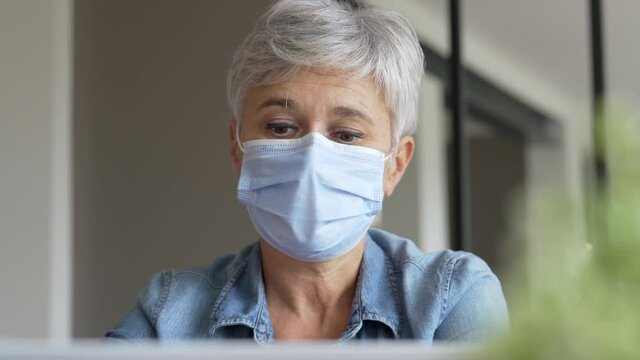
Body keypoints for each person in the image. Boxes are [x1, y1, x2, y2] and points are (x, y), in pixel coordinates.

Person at [106, 0, 508, 343]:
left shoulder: (450, 298)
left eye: (347, 134)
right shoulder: (169, 313)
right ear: (238, 149)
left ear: (395, 165)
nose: (312, 156)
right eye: (281, 128)